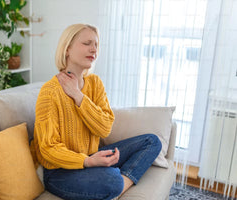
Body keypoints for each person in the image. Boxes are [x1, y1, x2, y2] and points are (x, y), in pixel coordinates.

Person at [30, 24, 162, 200]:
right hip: (60, 172)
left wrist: (79, 97)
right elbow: (48, 149)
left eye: (96, 45)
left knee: (151, 142)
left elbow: (105, 128)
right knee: (112, 181)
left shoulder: (94, 83)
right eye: (87, 43)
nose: (94, 49)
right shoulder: (50, 92)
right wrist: (88, 161)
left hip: (92, 158)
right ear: (67, 49)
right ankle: (114, 186)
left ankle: (116, 189)